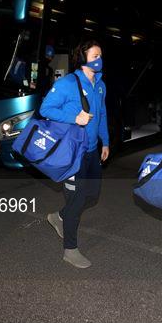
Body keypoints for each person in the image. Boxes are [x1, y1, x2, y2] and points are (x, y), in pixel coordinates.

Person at [40, 40, 109, 268]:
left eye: (101, 55)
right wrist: (74, 118)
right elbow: (45, 109)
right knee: (77, 198)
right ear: (82, 58)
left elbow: (102, 115)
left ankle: (59, 216)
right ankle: (70, 250)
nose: (99, 58)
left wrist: (105, 142)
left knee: (92, 195)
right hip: (72, 152)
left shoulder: (100, 85)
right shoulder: (68, 83)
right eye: (95, 55)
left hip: (91, 151)